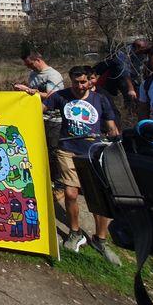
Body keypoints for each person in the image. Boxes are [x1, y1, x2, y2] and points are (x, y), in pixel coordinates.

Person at [44, 65, 121, 264]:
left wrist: (116, 144)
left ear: (90, 81)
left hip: (92, 152)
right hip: (66, 149)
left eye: (84, 82)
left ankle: (100, 239)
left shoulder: (100, 99)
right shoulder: (61, 96)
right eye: (76, 82)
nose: (80, 86)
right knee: (70, 193)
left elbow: (111, 126)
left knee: (97, 198)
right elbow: (38, 107)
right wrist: (27, 95)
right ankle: (75, 232)